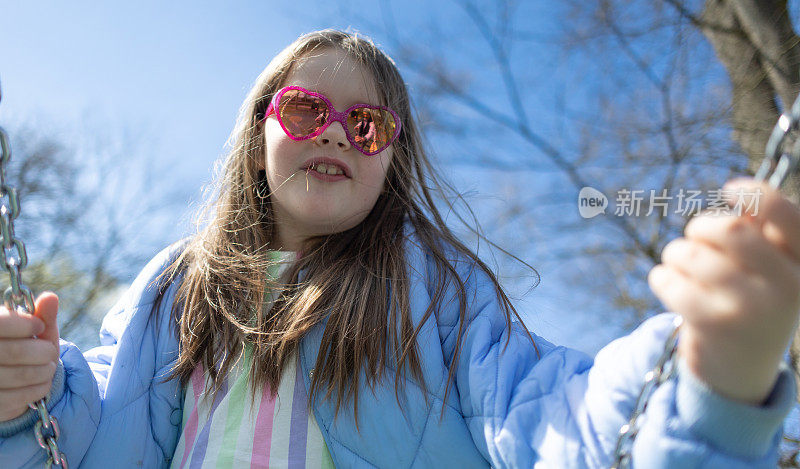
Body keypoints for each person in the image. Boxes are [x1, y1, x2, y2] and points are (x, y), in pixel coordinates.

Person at [0, 29, 798, 468]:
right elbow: (105, 427)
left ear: (390, 158)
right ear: (257, 139)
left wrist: (709, 373)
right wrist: (30, 395)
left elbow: (550, 411)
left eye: (368, 124)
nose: (338, 132)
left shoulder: (433, 290)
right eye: (307, 109)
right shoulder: (176, 289)